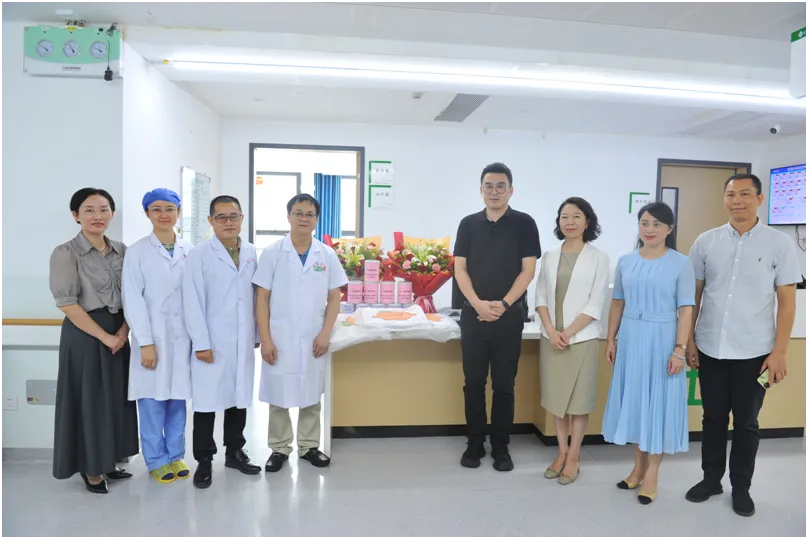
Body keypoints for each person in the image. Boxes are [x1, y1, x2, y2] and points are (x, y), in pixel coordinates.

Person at [684, 173, 801, 517]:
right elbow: (693, 296)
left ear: (759, 199)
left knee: (747, 423)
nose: (737, 201)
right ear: (724, 199)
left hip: (755, 353)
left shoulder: (779, 244)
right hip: (711, 348)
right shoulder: (705, 242)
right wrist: (688, 340)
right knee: (713, 418)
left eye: (745, 194)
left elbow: (787, 304)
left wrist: (780, 352)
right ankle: (711, 479)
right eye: (731, 194)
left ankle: (741, 487)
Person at [601, 202, 695, 505]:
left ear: (669, 229)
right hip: (631, 337)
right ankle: (638, 467)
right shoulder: (626, 261)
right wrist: (611, 339)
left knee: (658, 405)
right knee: (637, 402)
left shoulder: (681, 263)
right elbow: (618, 302)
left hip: (663, 338)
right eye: (644, 223)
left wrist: (679, 350)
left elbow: (686, 309)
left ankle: (652, 472)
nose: (649, 229)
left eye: (657, 224)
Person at [49, 188, 139, 494]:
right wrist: (105, 336)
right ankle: (91, 469)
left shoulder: (123, 251)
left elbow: (133, 296)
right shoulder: (65, 253)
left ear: (112, 214)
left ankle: (109, 461)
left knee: (115, 399)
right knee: (89, 401)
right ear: (76, 215)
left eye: (104, 209)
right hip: (85, 334)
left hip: (119, 332)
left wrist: (123, 332)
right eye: (89, 210)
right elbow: (67, 303)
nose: (97, 216)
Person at [454, 162, 541, 472]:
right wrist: (477, 303)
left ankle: (501, 447)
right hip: (473, 316)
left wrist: (503, 304)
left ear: (511, 190)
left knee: (504, 385)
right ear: (481, 190)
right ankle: (475, 443)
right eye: (488, 186)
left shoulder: (524, 223)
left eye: (500, 186)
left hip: (509, 317)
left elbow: (528, 270)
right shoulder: (468, 224)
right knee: (473, 383)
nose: (494, 191)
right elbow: (460, 269)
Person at [254, 194, 348, 472]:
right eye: (298, 213)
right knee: (278, 392)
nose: (304, 218)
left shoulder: (326, 254)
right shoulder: (272, 253)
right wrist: (265, 339)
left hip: (313, 335)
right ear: (288, 217)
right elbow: (261, 298)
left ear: (317, 219)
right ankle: (279, 448)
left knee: (311, 392)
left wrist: (325, 333)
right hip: (279, 335)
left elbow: (334, 297)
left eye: (310, 214)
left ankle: (309, 446)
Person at [182, 195, 262, 488]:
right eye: (221, 217)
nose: (229, 222)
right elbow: (191, 300)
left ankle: (234, 452)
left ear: (242, 218)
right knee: (206, 403)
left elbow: (256, 296)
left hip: (242, 338)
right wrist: (201, 342)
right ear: (211, 221)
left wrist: (255, 335)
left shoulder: (251, 252)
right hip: (211, 340)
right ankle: (204, 460)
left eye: (234, 216)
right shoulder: (200, 255)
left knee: (238, 398)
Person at [535, 197, 609, 485]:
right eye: (564, 216)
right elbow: (540, 297)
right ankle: (561, 452)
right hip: (551, 338)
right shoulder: (549, 256)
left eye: (576, 216)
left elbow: (595, 303)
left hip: (582, 339)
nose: (570, 222)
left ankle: (574, 456)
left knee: (578, 403)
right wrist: (552, 331)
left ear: (587, 221)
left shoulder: (599, 258)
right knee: (557, 401)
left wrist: (567, 333)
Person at [122, 188, 193, 483]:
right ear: (147, 214)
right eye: (156, 209)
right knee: (151, 402)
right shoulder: (137, 252)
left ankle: (175, 455)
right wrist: (146, 343)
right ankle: (155, 459)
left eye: (169, 209)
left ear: (178, 212)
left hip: (183, 339)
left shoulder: (190, 250)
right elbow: (132, 299)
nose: (164, 215)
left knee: (178, 400)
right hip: (152, 339)